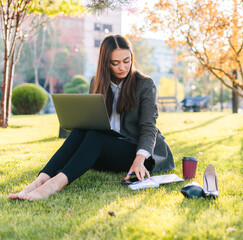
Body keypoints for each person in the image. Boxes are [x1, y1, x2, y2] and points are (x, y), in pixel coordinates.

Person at [8, 35, 175, 201]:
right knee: (82, 129)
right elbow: (92, 121)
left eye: (126, 60)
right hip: (108, 149)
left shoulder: (145, 84)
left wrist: (139, 160)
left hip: (139, 154)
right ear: (105, 63)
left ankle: (54, 185)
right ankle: (40, 180)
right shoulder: (97, 81)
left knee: (95, 137)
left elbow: (149, 127)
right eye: (115, 63)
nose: (122, 67)